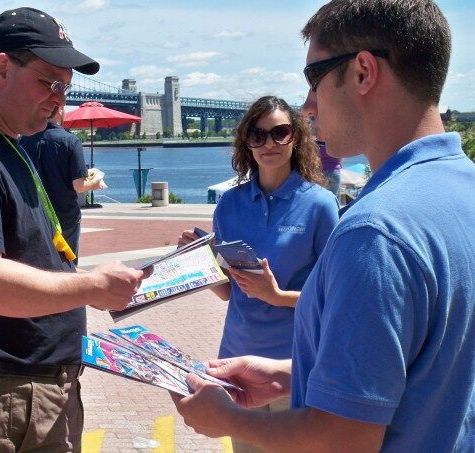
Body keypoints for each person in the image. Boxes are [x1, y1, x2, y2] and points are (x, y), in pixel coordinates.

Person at [171, 1, 475, 451]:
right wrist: (285, 376)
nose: (308, 106)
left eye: (313, 80)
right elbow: (423, 363)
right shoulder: (463, 189)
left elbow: (344, 438)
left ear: (363, 72)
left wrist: (230, 419)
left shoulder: (374, 233)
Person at [0, 7, 147, 452]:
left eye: (67, 87)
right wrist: (91, 286)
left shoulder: (6, 147)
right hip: (10, 396)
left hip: (34, 390)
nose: (60, 99)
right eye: (50, 82)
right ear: (1, 67)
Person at [178, 95, 339, 452]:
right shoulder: (229, 204)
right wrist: (198, 263)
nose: (269, 144)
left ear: (295, 138)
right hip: (238, 358)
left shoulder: (320, 205)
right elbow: (229, 291)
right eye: (258, 134)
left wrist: (277, 296)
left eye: (279, 133)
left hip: (293, 366)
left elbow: (336, 299)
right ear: (246, 142)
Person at [19, 106, 107, 262]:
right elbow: (79, 186)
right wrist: (96, 180)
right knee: (67, 265)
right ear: (59, 110)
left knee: (38, 266)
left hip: (33, 215)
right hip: (65, 217)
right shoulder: (71, 141)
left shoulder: (23, 141)